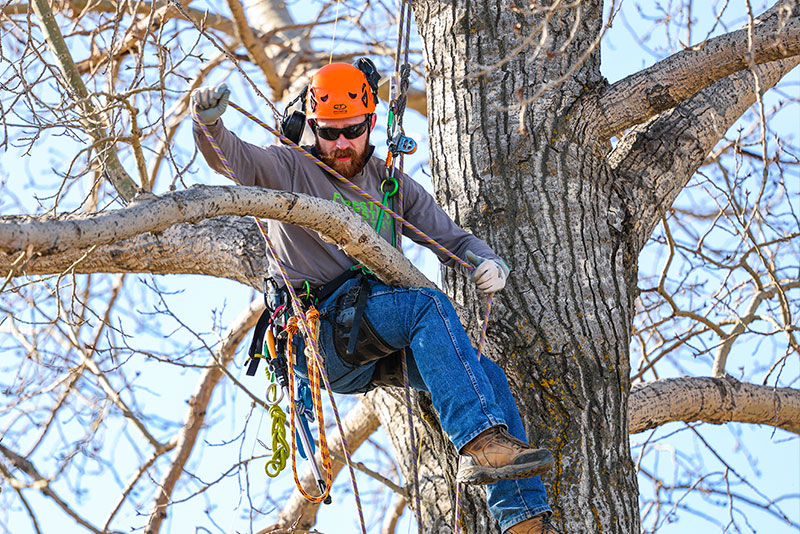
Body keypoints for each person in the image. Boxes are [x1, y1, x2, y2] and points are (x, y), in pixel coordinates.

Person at [192, 60, 558, 534]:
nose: (341, 144)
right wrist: (208, 125)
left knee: (485, 375)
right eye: (329, 133)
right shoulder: (288, 168)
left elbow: (453, 239)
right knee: (427, 307)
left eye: (352, 131)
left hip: (371, 339)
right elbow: (232, 158)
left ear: (370, 122)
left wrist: (487, 262)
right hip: (322, 336)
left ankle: (524, 520)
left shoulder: (390, 184)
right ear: (312, 128)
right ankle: (480, 441)